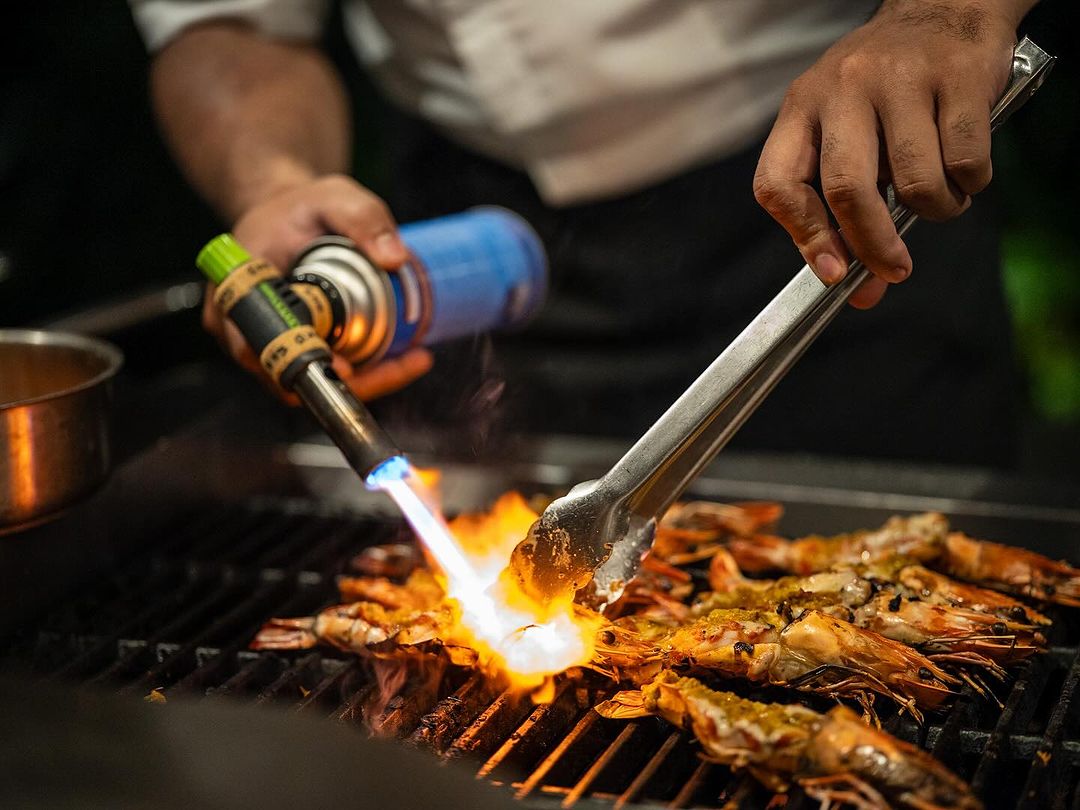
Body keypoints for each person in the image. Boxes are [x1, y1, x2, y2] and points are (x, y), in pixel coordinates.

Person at [129, 0, 1037, 466]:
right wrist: (275, 181)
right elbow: (232, 27)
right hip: (467, 247)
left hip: (834, 177)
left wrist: (942, 12)